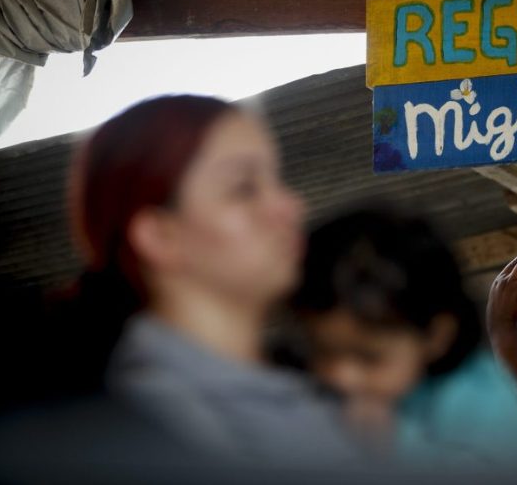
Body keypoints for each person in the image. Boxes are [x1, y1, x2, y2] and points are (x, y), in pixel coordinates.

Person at [66, 94, 361, 469]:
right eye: (244, 188)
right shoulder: (158, 426)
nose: (291, 205)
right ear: (160, 235)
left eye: (276, 180)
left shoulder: (292, 389)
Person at [288, 208, 517, 471]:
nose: (341, 375)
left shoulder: (486, 419)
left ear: (436, 336)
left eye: (369, 358)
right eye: (322, 351)